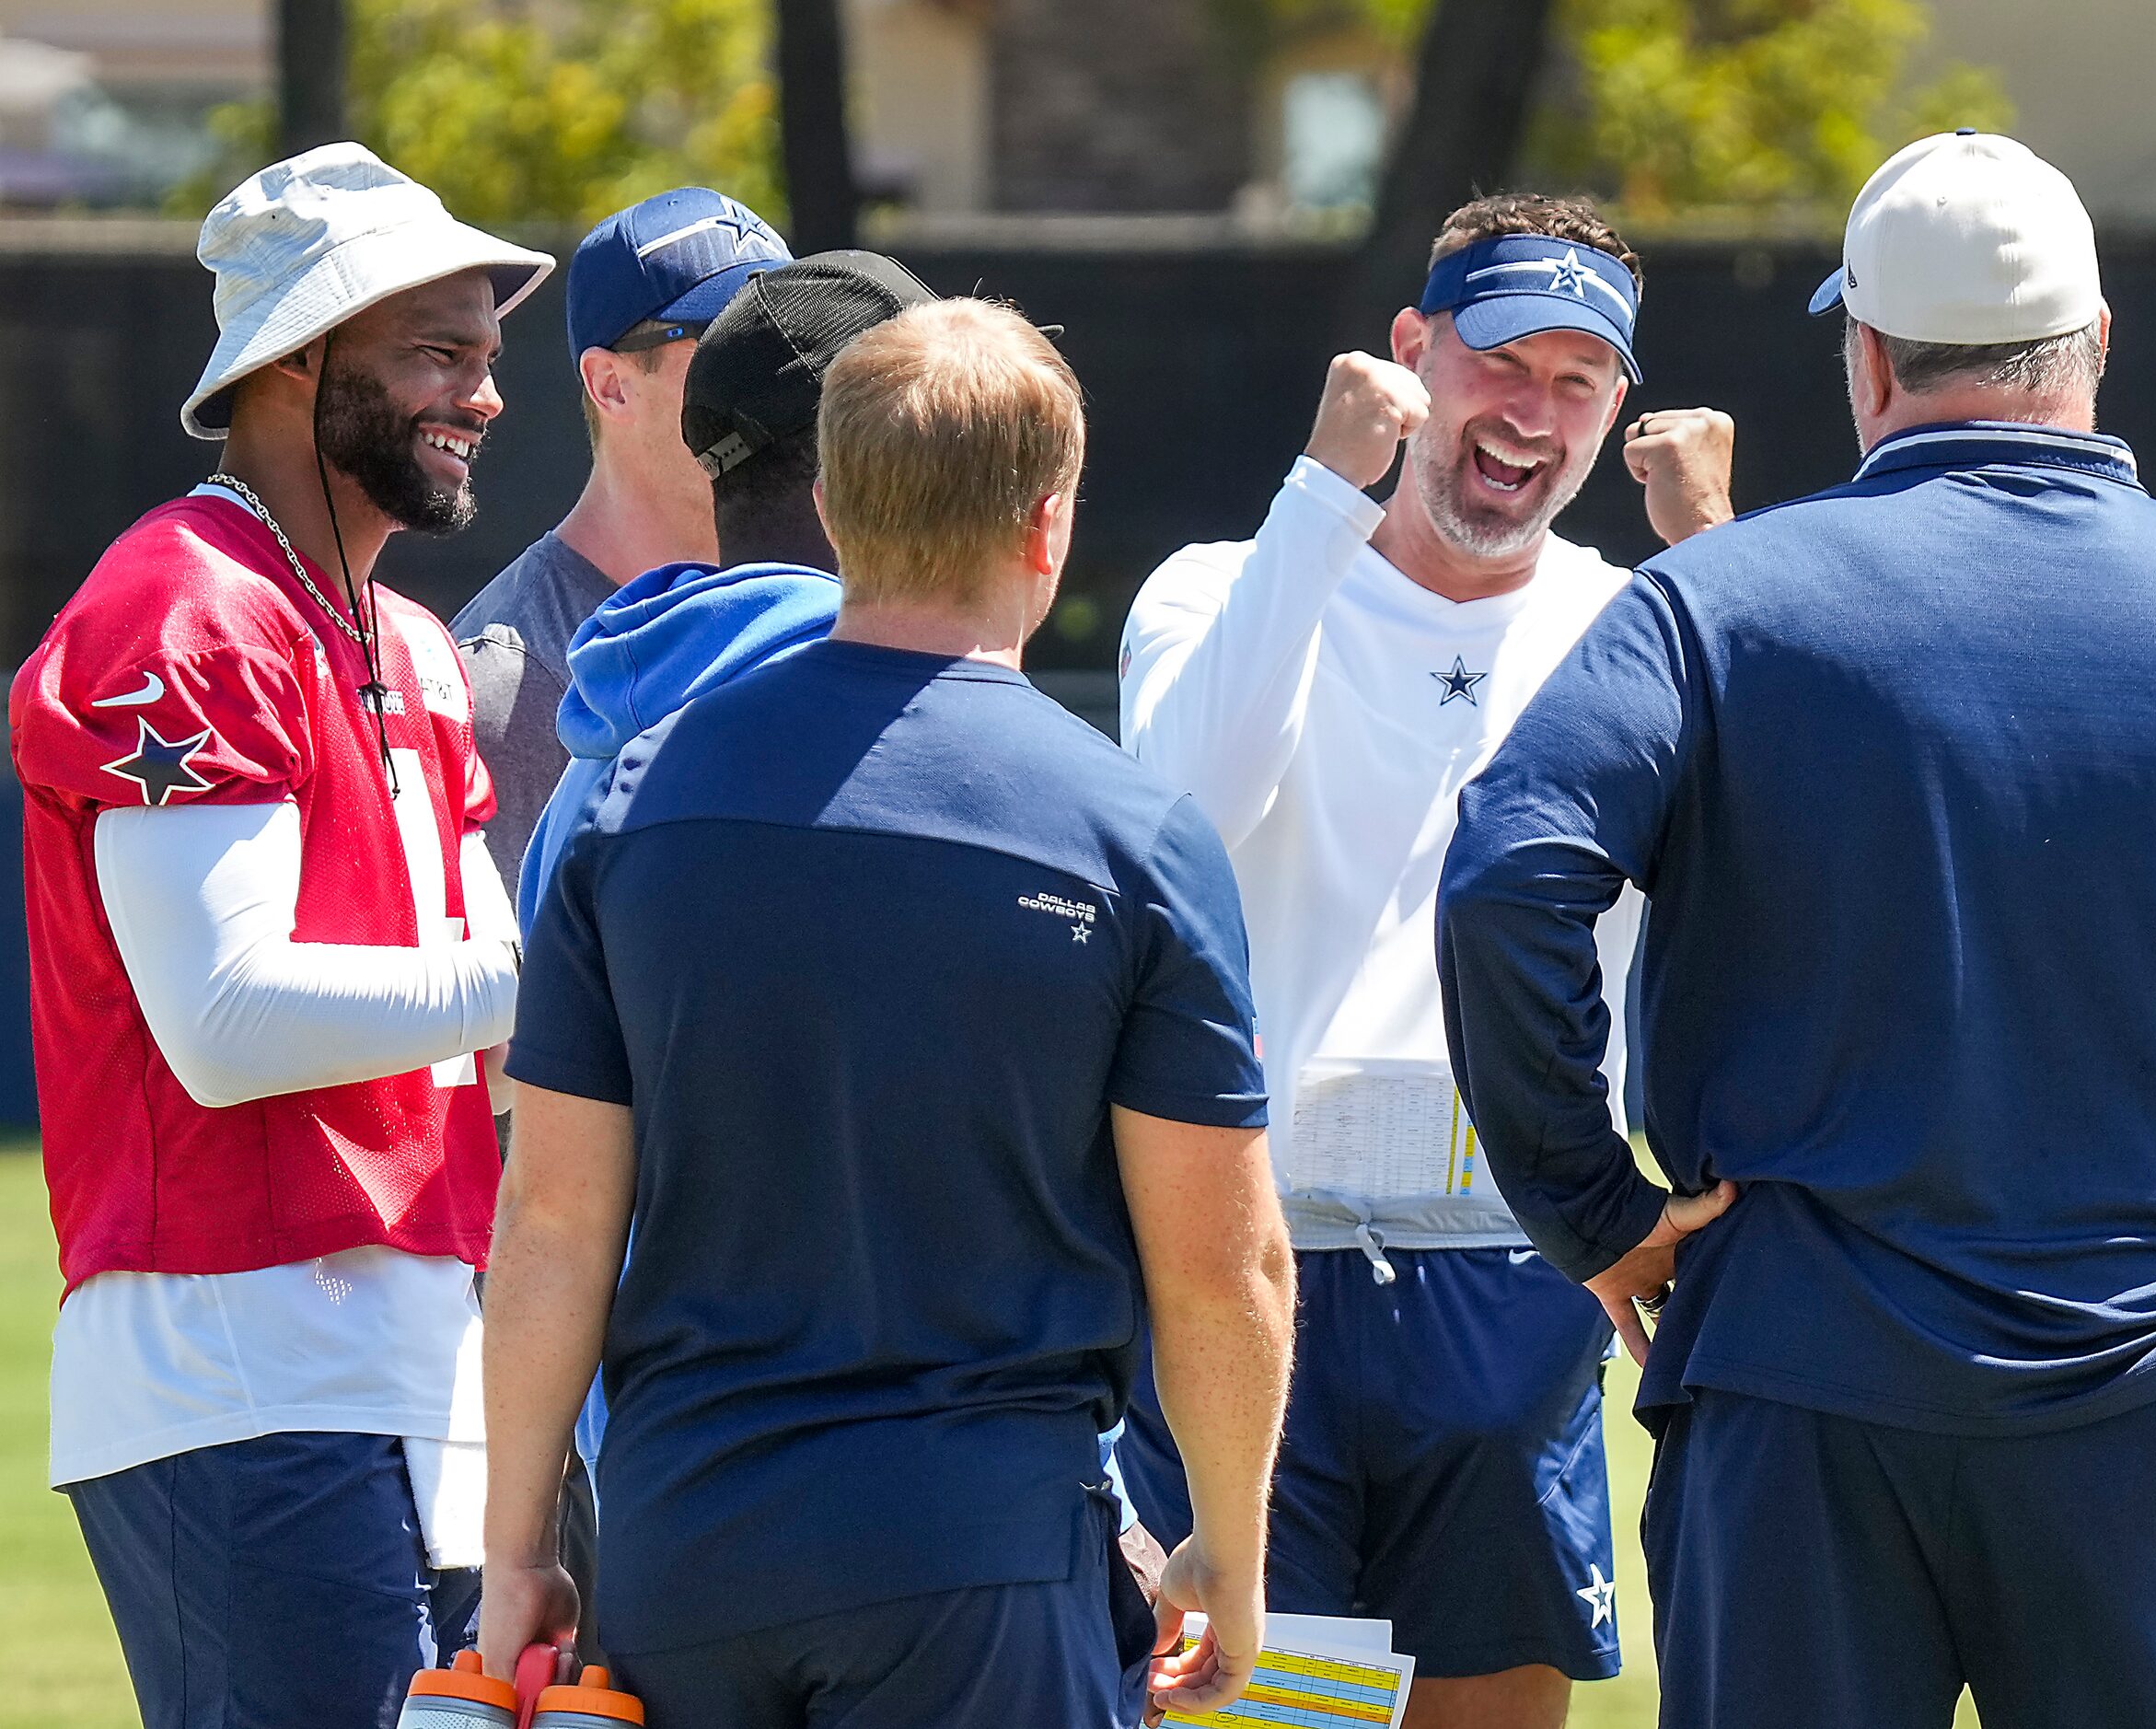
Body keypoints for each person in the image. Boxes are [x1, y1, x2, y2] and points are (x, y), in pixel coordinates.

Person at [1435, 130, 2156, 1729]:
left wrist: (1587, 1204)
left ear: (1862, 353)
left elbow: (1508, 872)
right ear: (2099, 342)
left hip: (1797, 1378)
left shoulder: (1717, 603)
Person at [480, 297, 1296, 1729]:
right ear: (1047, 526)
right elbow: (1223, 1271)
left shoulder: (631, 798)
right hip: (977, 1553)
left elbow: (550, 1218)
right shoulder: (1130, 836)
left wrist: (516, 1543)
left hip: (686, 1544)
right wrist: (1229, 1549)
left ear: (835, 509)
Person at [1116, 191, 1733, 1728]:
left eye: (1577, 382)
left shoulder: (1641, 620)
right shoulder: (1222, 582)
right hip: (1235, 1276)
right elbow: (1178, 818)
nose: (1530, 415)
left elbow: (1809, 871)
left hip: (1509, 1280)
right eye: (1499, 363)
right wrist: (1325, 491)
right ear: (1409, 352)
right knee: (1260, 1714)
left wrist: (1722, 563)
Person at [8, 144, 541, 1728]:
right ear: (296, 361)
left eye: (490, 354)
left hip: (423, 1362)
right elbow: (225, 1019)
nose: (485, 395)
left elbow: (506, 1017)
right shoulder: (184, 607)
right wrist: (588, 961)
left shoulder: (419, 643)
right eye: (439, 350)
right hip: (234, 1358)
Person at [453, 187, 789, 888]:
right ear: (611, 386)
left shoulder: (815, 611)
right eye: (729, 345)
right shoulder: (505, 681)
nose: (771, 379)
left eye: (780, 341)